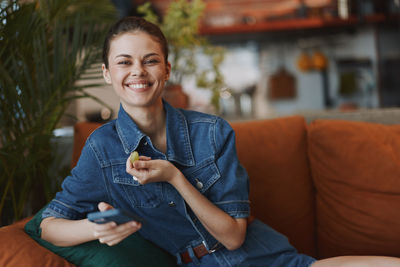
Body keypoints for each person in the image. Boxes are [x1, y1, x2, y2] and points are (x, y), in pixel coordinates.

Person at [40, 16, 400, 267]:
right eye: (124, 62)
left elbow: (233, 238)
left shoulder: (212, 132)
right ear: (107, 73)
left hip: (265, 256)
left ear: (166, 69)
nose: (138, 71)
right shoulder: (103, 149)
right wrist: (98, 228)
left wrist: (175, 177)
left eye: (150, 60)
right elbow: (48, 226)